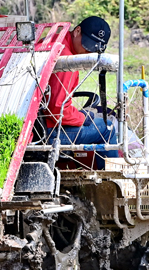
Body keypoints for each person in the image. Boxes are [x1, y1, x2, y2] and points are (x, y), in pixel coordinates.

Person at [43, 16, 118, 167]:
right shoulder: (67, 61)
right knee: (106, 128)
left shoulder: (51, 41)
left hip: (38, 126)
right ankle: (111, 180)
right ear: (77, 31)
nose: (87, 51)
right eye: (87, 45)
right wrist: (82, 118)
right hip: (49, 132)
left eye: (93, 49)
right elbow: (57, 110)